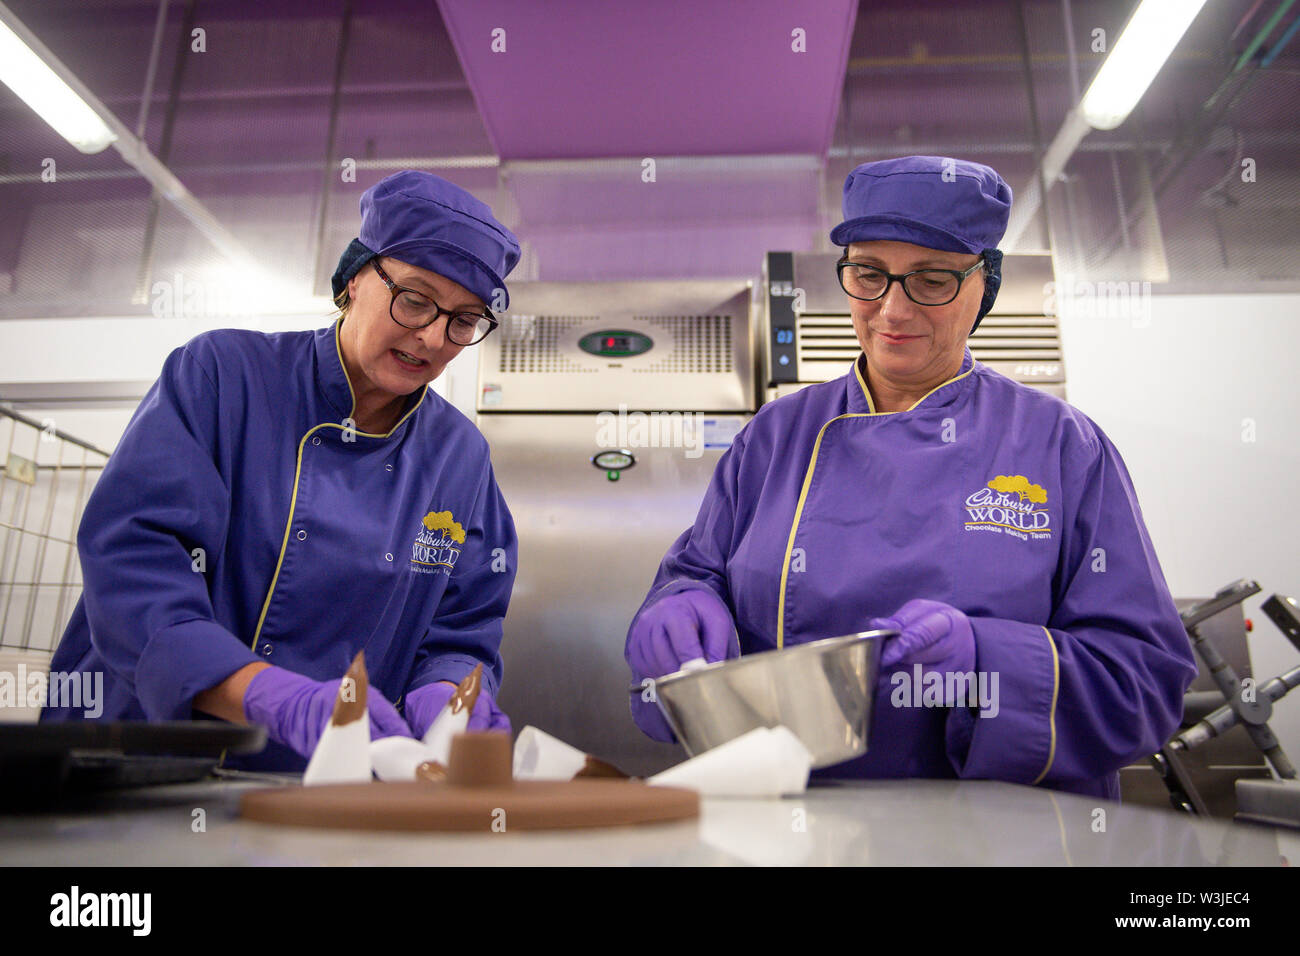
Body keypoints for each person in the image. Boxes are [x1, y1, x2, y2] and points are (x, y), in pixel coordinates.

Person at [625, 155, 1197, 799]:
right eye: (868, 274)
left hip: (1004, 845)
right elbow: (695, 578)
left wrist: (988, 662)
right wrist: (675, 608)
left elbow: (1145, 682)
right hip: (789, 832)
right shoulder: (775, 436)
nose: (892, 310)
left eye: (931, 280)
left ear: (986, 284)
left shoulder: (1064, 447)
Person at [43, 171, 521, 772]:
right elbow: (135, 561)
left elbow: (461, 625)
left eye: (463, 320)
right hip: (137, 760)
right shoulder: (223, 376)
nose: (431, 337)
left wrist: (450, 698)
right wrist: (265, 695)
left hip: (309, 783)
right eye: (415, 299)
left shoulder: (461, 456)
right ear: (354, 279)